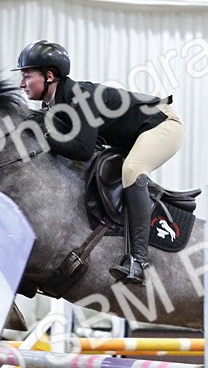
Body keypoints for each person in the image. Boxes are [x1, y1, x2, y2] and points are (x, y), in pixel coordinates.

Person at [14, 40, 184, 285]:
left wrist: (43, 136)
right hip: (134, 134)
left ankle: (139, 261)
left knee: (132, 169)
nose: (21, 84)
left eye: (27, 75)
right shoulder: (55, 104)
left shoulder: (79, 96)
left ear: (49, 76)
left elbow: (82, 150)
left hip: (163, 124)